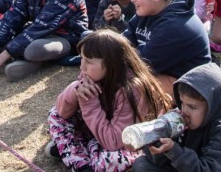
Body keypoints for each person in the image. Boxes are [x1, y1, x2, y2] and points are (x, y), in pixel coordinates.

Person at [47, 30, 172, 172]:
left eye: (89, 61)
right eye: (81, 58)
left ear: (111, 64)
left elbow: (113, 142)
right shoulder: (92, 75)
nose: (82, 67)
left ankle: (76, 150)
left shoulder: (131, 89)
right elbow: (62, 112)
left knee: (112, 161)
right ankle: (84, 164)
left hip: (126, 142)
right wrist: (76, 89)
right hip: (102, 130)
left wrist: (88, 101)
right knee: (54, 114)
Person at [133, 61, 221, 172]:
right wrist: (159, 138)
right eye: (182, 103)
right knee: (142, 164)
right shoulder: (180, 117)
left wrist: (174, 151)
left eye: (192, 107)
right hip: (186, 165)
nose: (184, 111)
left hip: (212, 168)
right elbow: (159, 161)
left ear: (212, 106)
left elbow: (209, 169)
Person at [123, 0, 210, 86]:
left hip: (187, 85)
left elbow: (141, 65)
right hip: (158, 72)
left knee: (126, 87)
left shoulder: (175, 26)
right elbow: (122, 43)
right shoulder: (148, 10)